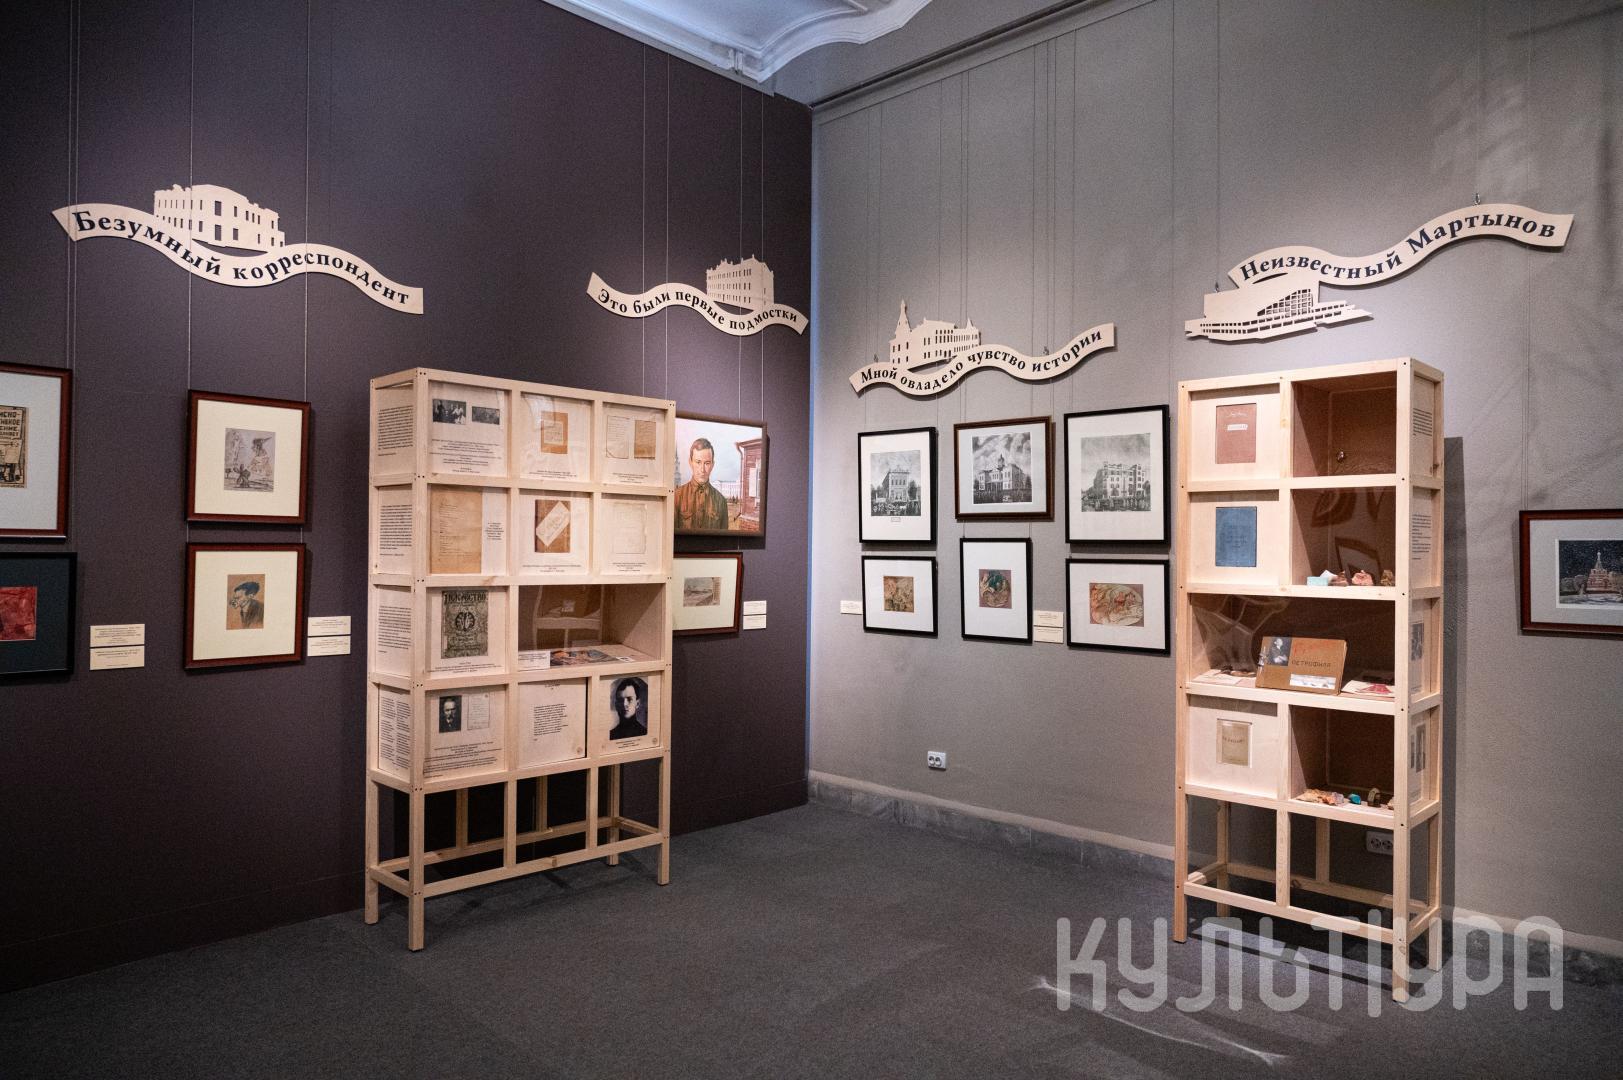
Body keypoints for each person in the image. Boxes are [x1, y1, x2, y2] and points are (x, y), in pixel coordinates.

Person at [674, 438, 728, 531]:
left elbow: (724, 537)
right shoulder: (677, 496)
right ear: (690, 462)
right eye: (698, 462)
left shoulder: (721, 501)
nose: (702, 469)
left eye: (707, 463)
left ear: (712, 465)